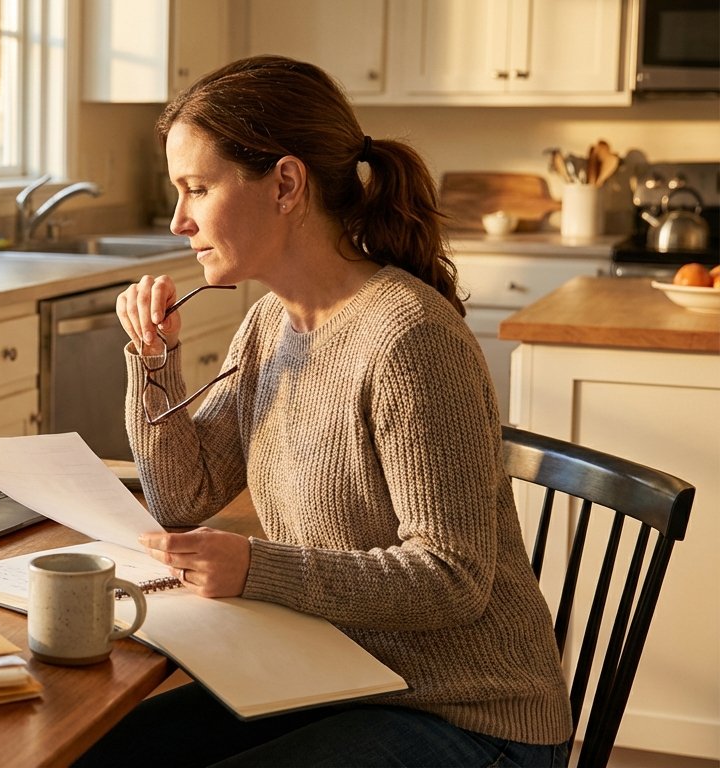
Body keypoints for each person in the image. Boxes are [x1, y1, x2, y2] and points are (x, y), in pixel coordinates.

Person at [79, 56, 573, 767]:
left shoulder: (410, 338)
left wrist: (256, 568)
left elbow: (454, 577)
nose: (178, 219)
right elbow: (180, 497)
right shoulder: (269, 327)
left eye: (197, 188)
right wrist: (153, 363)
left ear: (285, 183)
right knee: (100, 752)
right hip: (335, 678)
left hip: (470, 716)